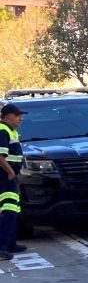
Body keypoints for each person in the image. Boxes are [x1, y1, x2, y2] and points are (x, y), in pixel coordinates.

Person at [0, 103, 27, 260]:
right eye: (17, 115)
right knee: (8, 211)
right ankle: (2, 246)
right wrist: (10, 172)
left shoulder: (11, 131)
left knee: (14, 210)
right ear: (7, 116)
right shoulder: (3, 130)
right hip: (4, 176)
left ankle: (10, 243)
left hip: (10, 176)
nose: (20, 118)